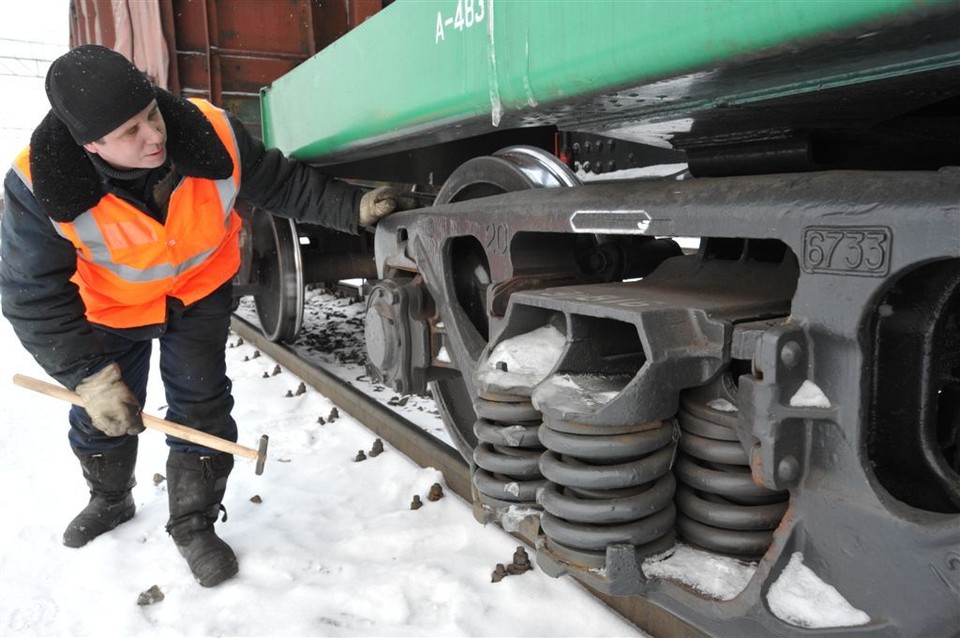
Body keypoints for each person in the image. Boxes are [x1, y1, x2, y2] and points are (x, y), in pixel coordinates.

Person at [0, 45, 412, 587]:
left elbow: (279, 182)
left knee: (202, 405)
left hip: (198, 291)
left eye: (152, 113)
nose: (155, 135)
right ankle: (110, 498)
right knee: (105, 411)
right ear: (90, 145)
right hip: (111, 306)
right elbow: (30, 291)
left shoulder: (209, 130)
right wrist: (86, 376)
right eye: (131, 132)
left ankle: (193, 524)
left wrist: (349, 208)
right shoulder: (38, 182)